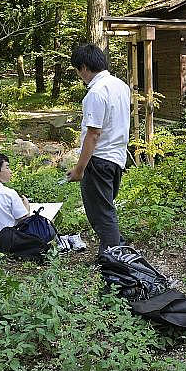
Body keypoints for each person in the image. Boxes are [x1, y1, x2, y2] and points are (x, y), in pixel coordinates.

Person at [66, 43, 131, 255]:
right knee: (105, 207)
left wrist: (79, 169)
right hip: (117, 157)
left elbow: (93, 134)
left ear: (84, 67)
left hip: (100, 159)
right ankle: (115, 246)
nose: (79, 75)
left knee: (101, 212)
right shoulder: (121, 85)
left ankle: (114, 257)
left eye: (78, 70)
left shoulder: (96, 92)